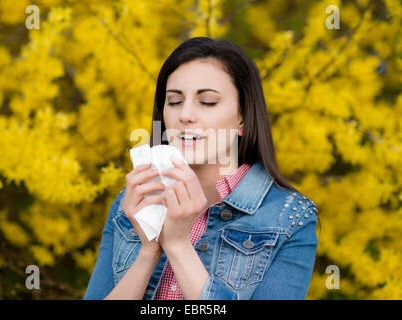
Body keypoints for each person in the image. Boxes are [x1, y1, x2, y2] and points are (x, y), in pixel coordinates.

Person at [83, 37, 319, 300]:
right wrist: (149, 250)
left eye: (207, 101)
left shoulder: (288, 218)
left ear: (243, 115)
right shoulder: (132, 204)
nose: (185, 115)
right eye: (174, 101)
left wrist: (177, 245)